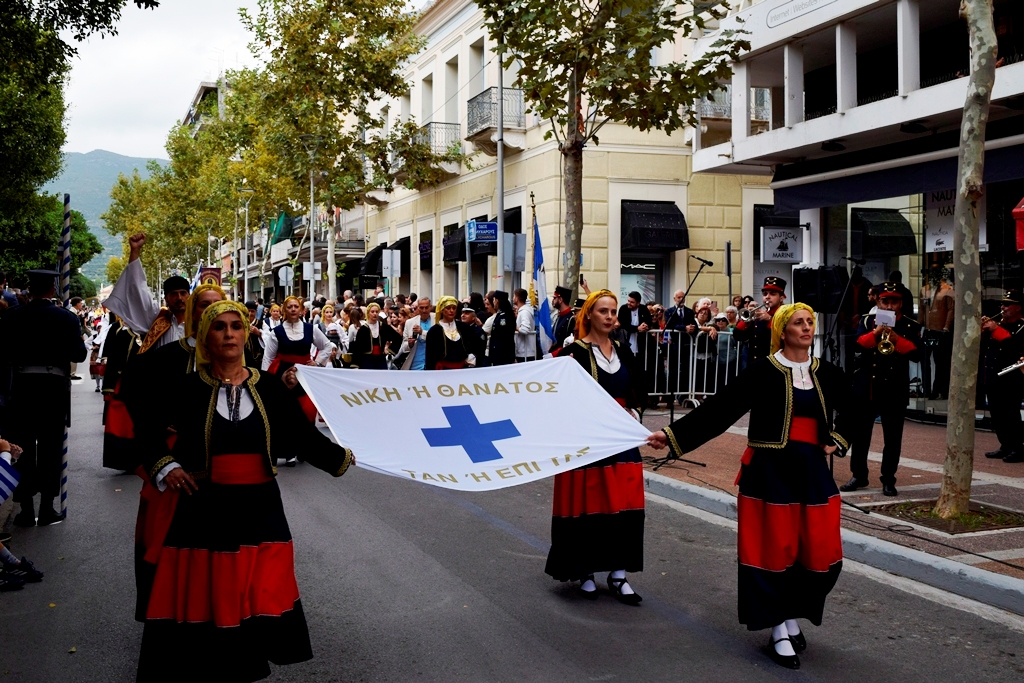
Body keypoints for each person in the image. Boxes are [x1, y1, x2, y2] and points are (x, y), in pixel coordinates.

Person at [134, 300, 355, 682]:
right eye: (219, 327)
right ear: (206, 338)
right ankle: (205, 665)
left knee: (254, 589)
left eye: (236, 326)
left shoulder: (268, 387)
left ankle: (245, 666)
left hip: (260, 509)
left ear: (245, 334)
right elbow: (147, 429)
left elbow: (303, 438)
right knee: (209, 591)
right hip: (202, 508)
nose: (230, 334)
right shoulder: (185, 388)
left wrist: (349, 456)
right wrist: (165, 466)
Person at [647, 303, 851, 670]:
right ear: (782, 331)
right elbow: (719, 410)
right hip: (770, 470)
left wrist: (837, 437)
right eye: (798, 323)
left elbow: (858, 406)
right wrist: (672, 435)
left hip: (811, 471)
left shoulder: (826, 373)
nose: (806, 328)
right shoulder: (763, 371)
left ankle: (790, 613)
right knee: (774, 549)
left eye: (810, 322)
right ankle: (777, 626)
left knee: (818, 548)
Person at [545, 290, 646, 605]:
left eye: (613, 311)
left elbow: (637, 388)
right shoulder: (572, 352)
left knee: (625, 505)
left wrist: (635, 412)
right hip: (588, 440)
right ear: (588, 314)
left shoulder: (622, 349)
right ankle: (585, 570)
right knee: (589, 505)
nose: (610, 316)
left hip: (620, 440)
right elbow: (557, 395)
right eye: (603, 311)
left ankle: (619, 573)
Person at [2, 270, 88, 527]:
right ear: (52, 290)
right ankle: (48, 508)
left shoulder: (11, 317)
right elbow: (80, 355)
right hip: (53, 388)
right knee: (51, 448)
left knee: (22, 448)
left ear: (29, 289)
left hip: (21, 388)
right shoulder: (67, 318)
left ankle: (26, 509)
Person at [841, 282, 922, 496]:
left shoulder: (910, 325)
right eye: (885, 301)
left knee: (893, 439)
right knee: (861, 435)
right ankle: (859, 475)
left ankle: (888, 478)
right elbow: (857, 345)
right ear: (878, 301)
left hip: (895, 389)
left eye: (894, 301)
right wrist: (876, 333)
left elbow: (917, 355)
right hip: (867, 388)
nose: (889, 305)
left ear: (900, 303)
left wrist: (898, 340)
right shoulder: (867, 321)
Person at [104, 233, 191, 352]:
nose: (179, 298)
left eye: (183, 293)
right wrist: (135, 251)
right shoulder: (157, 320)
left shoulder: (200, 324)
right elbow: (138, 289)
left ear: (190, 296)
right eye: (174, 294)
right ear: (166, 298)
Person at [981, 290, 1024, 464]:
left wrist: (996, 330)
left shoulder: (1022, 327)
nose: (1003, 307)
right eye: (1002, 304)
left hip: (1011, 378)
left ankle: (1019, 448)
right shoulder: (1000, 324)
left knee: (1010, 414)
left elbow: (1015, 347)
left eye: (1007, 304)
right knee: (997, 414)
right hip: (993, 376)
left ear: (1018, 307)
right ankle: (1005, 445)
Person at [261, 296, 335, 377]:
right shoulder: (276, 332)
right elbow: (268, 358)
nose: (293, 309)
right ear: (285, 310)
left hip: (305, 373)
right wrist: (265, 379)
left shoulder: (310, 329)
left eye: (296, 306)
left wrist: (317, 362)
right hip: (282, 375)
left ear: (300, 310)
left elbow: (327, 346)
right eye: (289, 307)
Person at [733, 277, 787, 363]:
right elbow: (738, 336)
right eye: (765, 294)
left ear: (781, 298)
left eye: (772, 294)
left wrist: (770, 319)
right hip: (756, 364)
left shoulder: (786, 315)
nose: (767, 297)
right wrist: (747, 319)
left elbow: (787, 338)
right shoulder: (759, 316)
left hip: (776, 365)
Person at [920, 268, 954, 400]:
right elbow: (923, 309)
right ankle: (926, 389)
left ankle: (939, 389)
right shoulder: (925, 289)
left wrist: (946, 326)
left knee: (940, 362)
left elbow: (951, 310)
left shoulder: (948, 290)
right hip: (928, 330)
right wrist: (920, 326)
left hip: (940, 331)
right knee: (925, 360)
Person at [424, 297, 482, 370]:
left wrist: (472, 355)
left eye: (454, 308)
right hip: (443, 371)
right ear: (442, 310)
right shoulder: (434, 331)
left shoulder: (463, 327)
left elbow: (477, 344)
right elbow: (430, 357)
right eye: (448, 308)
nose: (451, 311)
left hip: (463, 369)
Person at [663, 289, 697, 399]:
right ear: (674, 299)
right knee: (673, 371)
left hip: (686, 345)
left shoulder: (689, 312)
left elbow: (693, 324)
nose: (681, 299)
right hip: (674, 345)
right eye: (679, 297)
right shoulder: (669, 311)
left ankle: (683, 396)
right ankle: (670, 397)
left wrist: (692, 328)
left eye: (683, 297)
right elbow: (669, 325)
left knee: (686, 371)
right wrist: (684, 328)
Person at [349, 302, 402, 369]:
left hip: (380, 360)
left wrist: (390, 350)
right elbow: (357, 348)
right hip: (367, 361)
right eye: (372, 312)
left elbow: (398, 338)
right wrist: (355, 365)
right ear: (368, 313)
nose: (375, 314)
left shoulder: (383, 327)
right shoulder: (363, 329)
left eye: (377, 312)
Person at [401, 297, 433, 370]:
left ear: (430, 307)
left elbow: (438, 339)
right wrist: (410, 344)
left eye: (426, 307)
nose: (424, 310)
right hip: (416, 365)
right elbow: (404, 347)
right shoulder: (410, 322)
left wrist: (422, 332)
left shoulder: (437, 319)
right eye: (421, 308)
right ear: (418, 308)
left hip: (433, 365)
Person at [488, 291, 517, 366]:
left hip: (502, 353)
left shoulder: (504, 316)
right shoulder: (501, 314)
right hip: (499, 352)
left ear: (497, 301)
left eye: (494, 300)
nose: (493, 302)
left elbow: (502, 335)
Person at [513, 288, 537, 362]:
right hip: (525, 352)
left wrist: (515, 327)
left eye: (514, 296)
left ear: (517, 298)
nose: (512, 298)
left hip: (525, 353)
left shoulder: (524, 312)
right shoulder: (523, 311)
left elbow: (525, 329)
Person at [550, 286, 576, 355]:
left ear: (560, 300)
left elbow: (570, 342)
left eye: (555, 298)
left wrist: (555, 353)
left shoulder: (572, 318)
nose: (553, 300)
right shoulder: (559, 315)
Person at [243, 301, 264, 368]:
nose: (250, 314)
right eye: (248, 311)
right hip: (243, 357)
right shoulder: (240, 323)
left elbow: (268, 340)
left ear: (256, 312)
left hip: (257, 358)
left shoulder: (261, 323)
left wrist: (258, 333)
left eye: (252, 311)